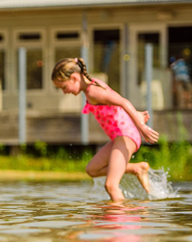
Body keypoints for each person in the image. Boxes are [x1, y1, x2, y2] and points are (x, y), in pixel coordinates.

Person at [51, 58, 159, 202]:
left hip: (125, 135)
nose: (64, 92)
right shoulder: (92, 86)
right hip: (119, 137)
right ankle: (136, 169)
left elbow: (122, 101)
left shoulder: (94, 91)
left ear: (74, 78)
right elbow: (118, 100)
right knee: (92, 169)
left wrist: (141, 125)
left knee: (111, 185)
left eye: (63, 87)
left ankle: (120, 219)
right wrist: (136, 115)